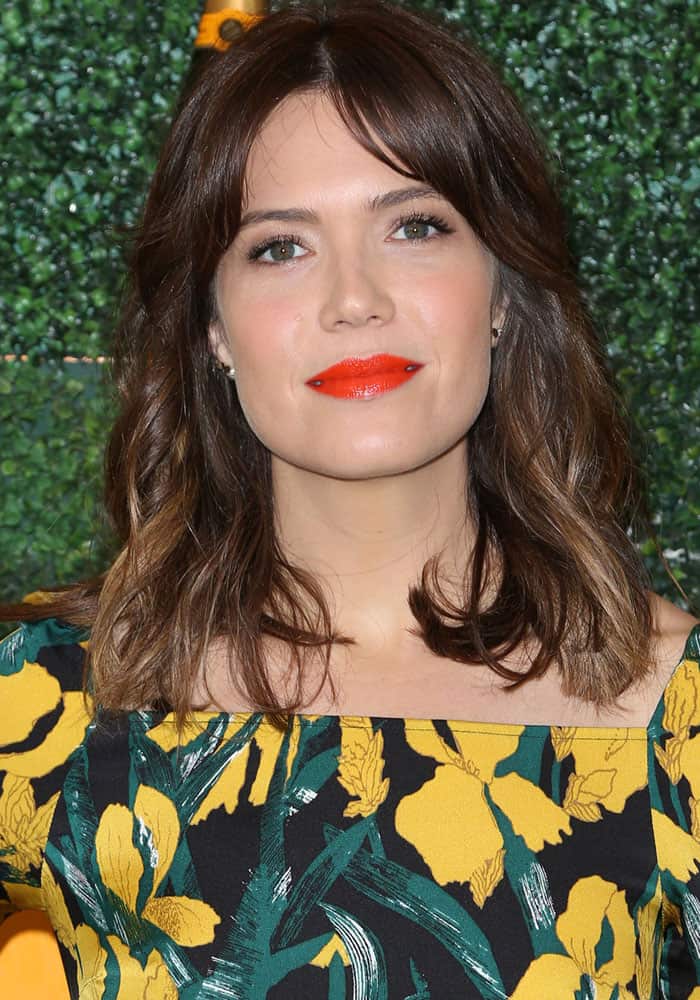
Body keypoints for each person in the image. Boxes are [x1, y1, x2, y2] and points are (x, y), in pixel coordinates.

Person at [1, 0, 698, 995]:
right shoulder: (39, 700)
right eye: (280, 247)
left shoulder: (677, 716)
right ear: (212, 328)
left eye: (414, 227)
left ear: (502, 292)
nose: (354, 299)